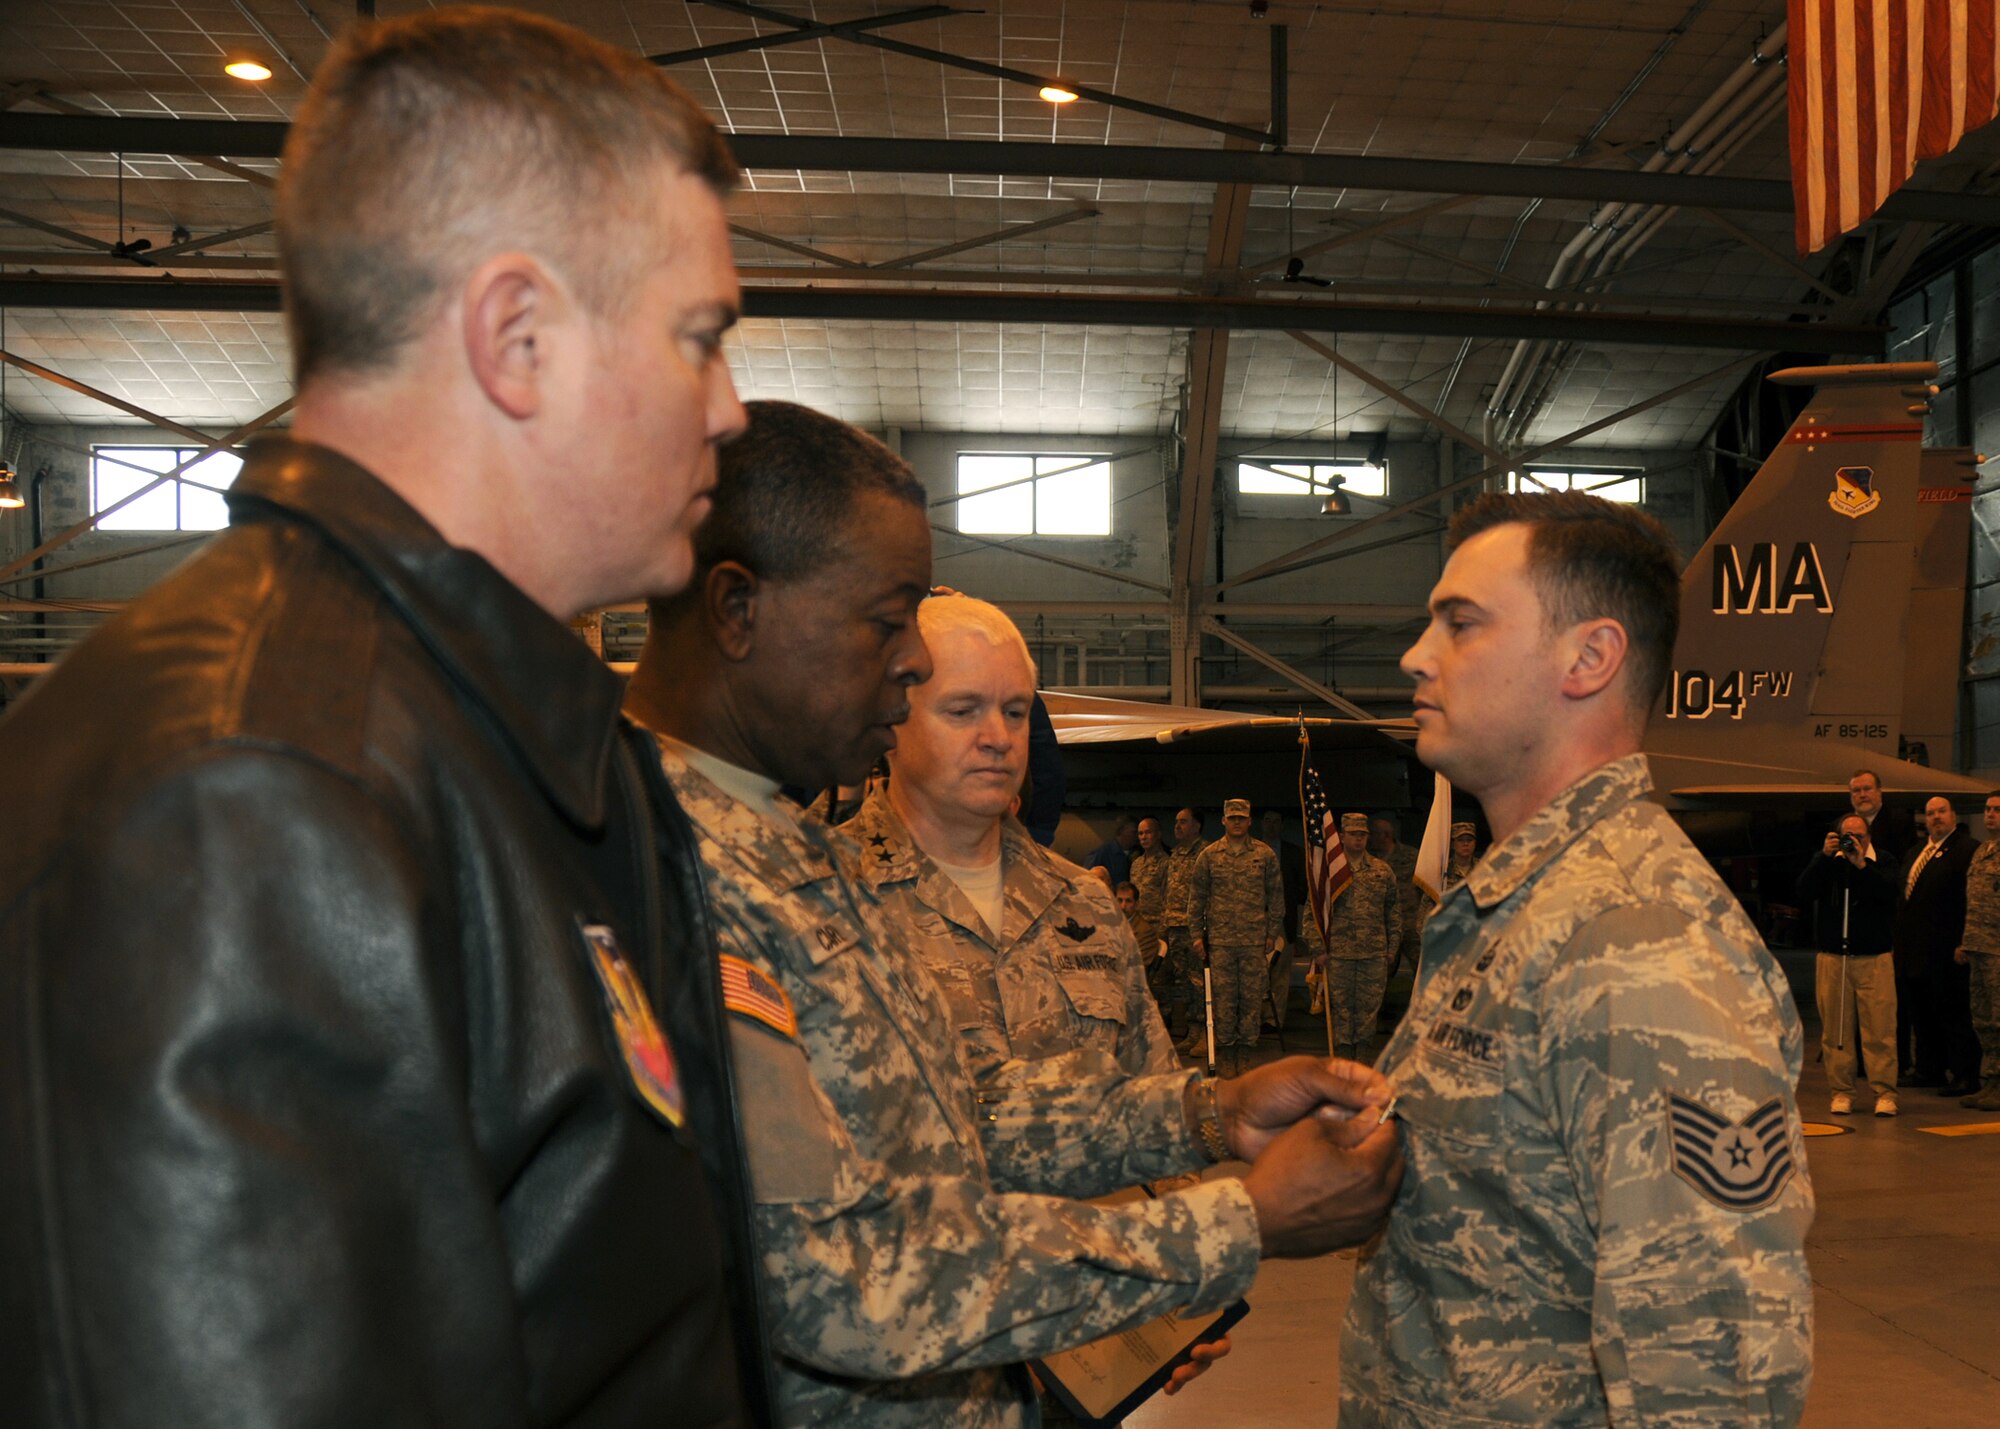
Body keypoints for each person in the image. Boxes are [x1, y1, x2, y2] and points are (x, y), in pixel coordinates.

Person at [0, 12, 772, 1426]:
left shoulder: (486, 734)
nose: (728, 408)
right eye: (700, 337)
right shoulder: (255, 795)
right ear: (517, 337)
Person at [626, 400, 1404, 1428]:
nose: (910, 664)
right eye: (884, 616)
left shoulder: (785, 852)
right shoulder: (653, 874)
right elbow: (844, 1281)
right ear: (737, 610)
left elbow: (961, 1117)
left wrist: (1204, 1114)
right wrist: (1241, 1220)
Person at [1341, 491, 1813, 1425]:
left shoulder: (1641, 938)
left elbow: (1714, 1366)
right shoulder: (1529, 906)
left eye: (1460, 623)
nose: (1415, 655)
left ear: (1590, 658)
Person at [1796, 813, 1900, 1115]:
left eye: (1859, 835)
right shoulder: (1830, 863)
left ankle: (1885, 1093)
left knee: (1880, 1030)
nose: (1853, 840)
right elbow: (1803, 892)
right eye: (1847, 835)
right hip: (1833, 959)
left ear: (1868, 836)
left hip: (1875, 959)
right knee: (1836, 1030)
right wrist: (1822, 858)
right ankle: (1842, 1090)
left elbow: (1889, 894)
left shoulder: (1884, 861)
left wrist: (1861, 866)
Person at [1191, 799, 1287, 1075]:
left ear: (1249, 821)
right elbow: (1196, 898)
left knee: (1251, 1001)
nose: (1236, 822)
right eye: (1231, 817)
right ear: (1223, 820)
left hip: (1253, 942)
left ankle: (1245, 1056)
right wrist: (1197, 935)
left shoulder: (1264, 854)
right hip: (1220, 942)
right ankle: (1226, 1057)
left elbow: (1276, 897)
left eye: (1241, 818)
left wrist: (1271, 934)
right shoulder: (1209, 855)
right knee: (1223, 1001)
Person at [1306, 813, 1403, 1062]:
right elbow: (1311, 914)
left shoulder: (1382, 871)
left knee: (1368, 1012)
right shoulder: (1330, 873)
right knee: (1342, 1012)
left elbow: (1393, 913)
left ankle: (1360, 1061)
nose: (1358, 839)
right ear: (1341, 836)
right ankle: (1342, 1061)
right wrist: (1318, 950)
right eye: (1353, 834)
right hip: (1338, 955)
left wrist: (1392, 948)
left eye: (1363, 834)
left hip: (1373, 954)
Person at [1896, 797, 1976, 1094]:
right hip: (1915, 950)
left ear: (1954, 815)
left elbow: (1971, 900)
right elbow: (1904, 901)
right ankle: (1929, 1069)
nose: (1936, 817)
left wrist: (1965, 939)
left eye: (1941, 812)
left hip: (1948, 948)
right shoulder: (1916, 852)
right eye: (1930, 814)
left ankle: (1964, 1074)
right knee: (1922, 1014)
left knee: (1953, 1015)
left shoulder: (1967, 850)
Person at [1955, 791, 2000, 1110]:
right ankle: (1991, 1082)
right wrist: (1965, 942)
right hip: (1978, 947)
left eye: (1997, 810)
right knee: (1983, 1020)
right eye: (1987, 809)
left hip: (1998, 951)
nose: (1990, 815)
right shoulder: (1983, 850)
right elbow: (1973, 904)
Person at [1163, 806, 1210, 1046]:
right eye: (1176, 821)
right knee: (1183, 981)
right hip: (1175, 926)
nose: (1177, 826)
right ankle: (1192, 1032)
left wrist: (1201, 929)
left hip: (1194, 928)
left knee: (1199, 981)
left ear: (1196, 825)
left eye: (1183, 822)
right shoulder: (1175, 854)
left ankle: (1204, 1034)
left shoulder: (1205, 853)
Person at [1130, 814, 1174, 1013]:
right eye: (1140, 833)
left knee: (1159, 980)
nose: (1144, 837)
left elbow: (1168, 898)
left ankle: (1165, 1020)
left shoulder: (1167, 863)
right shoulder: (1136, 863)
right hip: (1138, 929)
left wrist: (1163, 931)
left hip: (1157, 928)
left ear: (1157, 835)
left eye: (1148, 832)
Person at [1369, 815, 1422, 978]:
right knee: (1380, 976)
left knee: (1422, 971)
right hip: (1385, 928)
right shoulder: (1370, 860)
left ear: (1385, 835)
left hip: (1410, 925)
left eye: (1373, 834)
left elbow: (1425, 889)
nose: (1370, 838)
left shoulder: (1411, 856)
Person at [1085, 814, 1140, 886]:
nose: (1138, 836)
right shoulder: (1103, 853)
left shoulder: (1139, 853)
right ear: (1121, 831)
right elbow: (1087, 877)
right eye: (1134, 832)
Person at [1445, 820, 1479, 886]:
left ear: (1475, 843)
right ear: (1452, 844)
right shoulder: (1443, 871)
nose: (1466, 844)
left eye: (1469, 840)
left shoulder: (1484, 869)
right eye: (1460, 840)